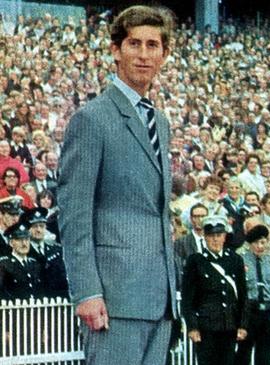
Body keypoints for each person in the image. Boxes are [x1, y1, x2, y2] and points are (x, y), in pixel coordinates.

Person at [57, 6, 178, 365]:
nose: (143, 54)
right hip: (113, 297)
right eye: (134, 43)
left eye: (153, 45)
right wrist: (88, 291)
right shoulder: (91, 119)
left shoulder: (161, 122)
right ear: (115, 49)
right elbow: (74, 214)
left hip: (160, 297)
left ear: (164, 54)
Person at [181, 218, 247, 365]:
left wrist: (242, 324)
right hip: (206, 325)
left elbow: (242, 295)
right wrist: (192, 326)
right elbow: (187, 298)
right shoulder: (196, 261)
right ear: (205, 238)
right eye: (211, 236)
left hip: (229, 324)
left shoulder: (235, 260)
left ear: (224, 237)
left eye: (219, 236)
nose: (215, 240)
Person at [236, 224, 270, 365]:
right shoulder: (241, 260)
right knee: (244, 352)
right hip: (249, 310)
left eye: (263, 242)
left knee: (265, 353)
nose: (260, 246)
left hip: (266, 311)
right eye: (256, 243)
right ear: (250, 244)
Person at [0, 222, 44, 300]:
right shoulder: (4, 264)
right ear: (11, 243)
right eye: (19, 240)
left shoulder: (35, 264)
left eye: (27, 239)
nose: (24, 244)